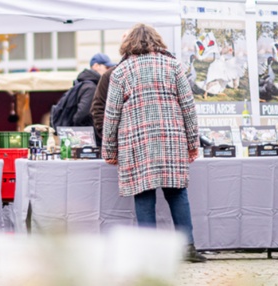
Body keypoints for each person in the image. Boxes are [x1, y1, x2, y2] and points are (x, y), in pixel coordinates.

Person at [101, 23, 205, 263]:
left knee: (144, 196)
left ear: (129, 44)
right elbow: (188, 108)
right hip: (172, 139)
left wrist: (109, 149)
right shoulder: (174, 66)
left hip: (137, 141)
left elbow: (112, 114)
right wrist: (192, 143)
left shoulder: (121, 71)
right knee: (177, 193)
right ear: (157, 41)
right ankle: (187, 248)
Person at [62, 53, 112, 130]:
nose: (108, 70)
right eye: (106, 67)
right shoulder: (91, 87)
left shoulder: (85, 83)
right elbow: (81, 115)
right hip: (86, 136)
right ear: (96, 66)